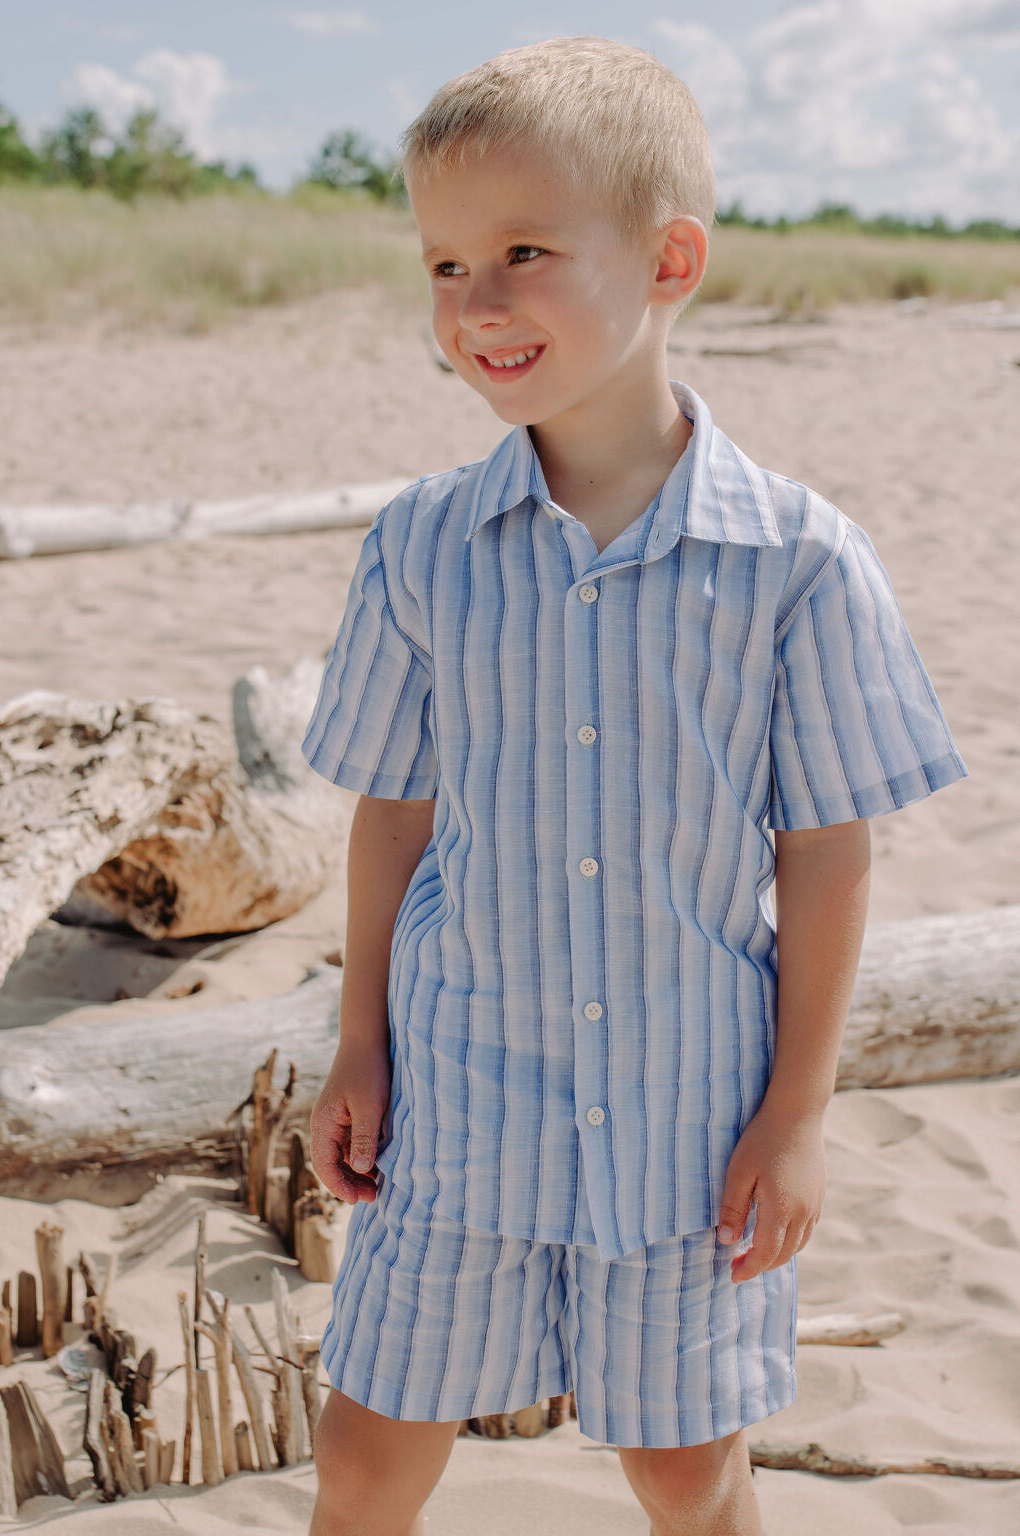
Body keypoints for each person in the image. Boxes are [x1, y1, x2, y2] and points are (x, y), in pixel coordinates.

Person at [299, 34, 969, 1536]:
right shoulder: (419, 547)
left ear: (671, 259)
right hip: (458, 1096)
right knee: (367, 1447)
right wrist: (359, 1043)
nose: (475, 305)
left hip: (686, 1118)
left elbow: (829, 850)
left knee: (686, 1467)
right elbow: (394, 810)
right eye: (444, 263)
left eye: (524, 252)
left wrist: (797, 1112)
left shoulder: (797, 562)